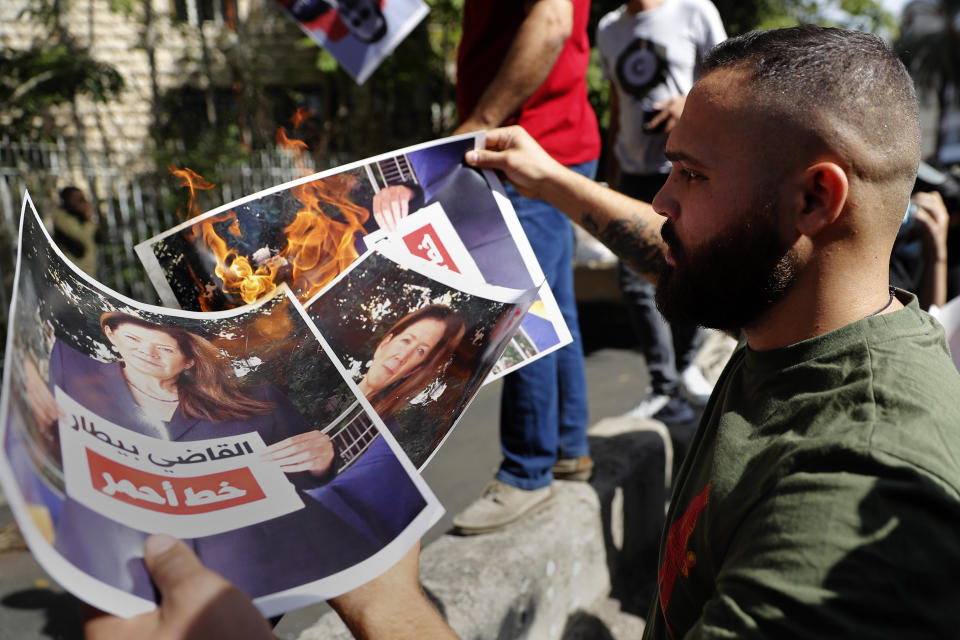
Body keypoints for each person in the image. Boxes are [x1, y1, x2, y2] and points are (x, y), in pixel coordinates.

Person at [89, 25, 960, 639]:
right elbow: (673, 249)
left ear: (814, 199)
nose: (663, 201)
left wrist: (388, 608)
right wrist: (550, 182)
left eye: (690, 174)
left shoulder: (857, 482)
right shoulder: (790, 311)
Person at [22, 311, 385, 601]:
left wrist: (322, 459)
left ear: (189, 361)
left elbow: (306, 482)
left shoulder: (259, 404)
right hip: (135, 574)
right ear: (112, 336)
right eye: (132, 338)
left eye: (163, 349)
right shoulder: (72, 379)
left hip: (260, 572)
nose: (144, 353)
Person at [451, 0, 601, 536]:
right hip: (549, 138)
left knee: (521, 311)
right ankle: (565, 448)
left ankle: (527, 471)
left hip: (522, 146)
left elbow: (553, 20)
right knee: (551, 305)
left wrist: (479, 123)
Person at [597, 0, 726, 422]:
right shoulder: (609, 27)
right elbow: (617, 105)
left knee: (686, 269)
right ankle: (664, 387)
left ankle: (685, 371)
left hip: (682, 170)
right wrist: (613, 174)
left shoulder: (694, 11)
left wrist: (687, 104)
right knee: (634, 283)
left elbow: (731, 84)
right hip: (632, 174)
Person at [308, 304, 465, 542]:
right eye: (405, 341)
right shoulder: (321, 388)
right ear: (386, 342)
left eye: (421, 351)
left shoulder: (387, 436)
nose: (402, 356)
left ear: (415, 370)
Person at [54, 186, 99, 278]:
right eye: (79, 199)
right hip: (72, 274)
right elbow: (82, 237)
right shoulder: (61, 216)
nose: (84, 203)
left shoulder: (80, 217)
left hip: (89, 273)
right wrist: (89, 218)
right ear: (67, 200)